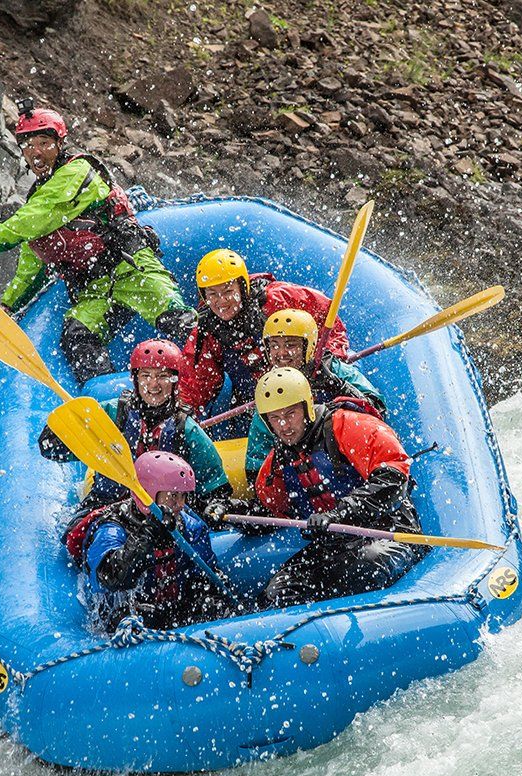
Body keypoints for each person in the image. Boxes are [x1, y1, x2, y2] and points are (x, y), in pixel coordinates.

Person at [0, 100, 195, 384]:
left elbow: (31, 220)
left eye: (44, 142)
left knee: (177, 321)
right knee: (78, 334)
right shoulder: (37, 198)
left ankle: (214, 373)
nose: (36, 152)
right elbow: (32, 263)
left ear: (59, 143)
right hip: (93, 289)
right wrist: (8, 304)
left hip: (130, 268)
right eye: (29, 146)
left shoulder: (78, 172)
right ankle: (108, 402)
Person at [248, 367, 424, 608]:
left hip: (390, 530)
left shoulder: (346, 426)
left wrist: (338, 514)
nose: (284, 425)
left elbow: (392, 478)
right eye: (275, 418)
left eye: (291, 414)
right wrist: (233, 512)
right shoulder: (277, 462)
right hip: (337, 544)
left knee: (364, 566)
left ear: (307, 407)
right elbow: (271, 510)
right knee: (277, 592)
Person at [39, 338, 231, 520]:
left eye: (162, 376)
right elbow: (51, 450)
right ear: (135, 379)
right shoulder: (112, 414)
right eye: (146, 375)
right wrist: (59, 430)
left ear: (175, 381)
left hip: (163, 517)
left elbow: (216, 488)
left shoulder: (186, 430)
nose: (153, 384)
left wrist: (214, 506)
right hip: (109, 506)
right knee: (79, 535)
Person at [178, 249, 353, 420]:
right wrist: (185, 409)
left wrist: (329, 358)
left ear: (242, 287)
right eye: (212, 294)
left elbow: (328, 320)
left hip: (309, 384)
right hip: (261, 398)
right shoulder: (206, 329)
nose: (221, 301)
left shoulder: (277, 298)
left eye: (228, 291)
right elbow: (196, 380)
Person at [69, 451, 232, 631]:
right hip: (128, 616)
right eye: (173, 496)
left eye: (183, 496)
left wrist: (213, 597)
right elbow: (111, 578)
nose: (180, 505)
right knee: (133, 617)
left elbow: (205, 575)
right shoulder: (112, 528)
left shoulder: (191, 527)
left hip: (171, 609)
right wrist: (147, 536)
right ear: (147, 493)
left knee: (212, 604)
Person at [244, 308, 384, 480]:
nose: (281, 353)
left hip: (347, 454)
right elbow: (257, 459)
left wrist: (335, 384)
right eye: (274, 346)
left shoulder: (333, 369)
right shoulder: (272, 387)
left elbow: (376, 409)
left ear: (308, 345)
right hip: (305, 465)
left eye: (290, 345)